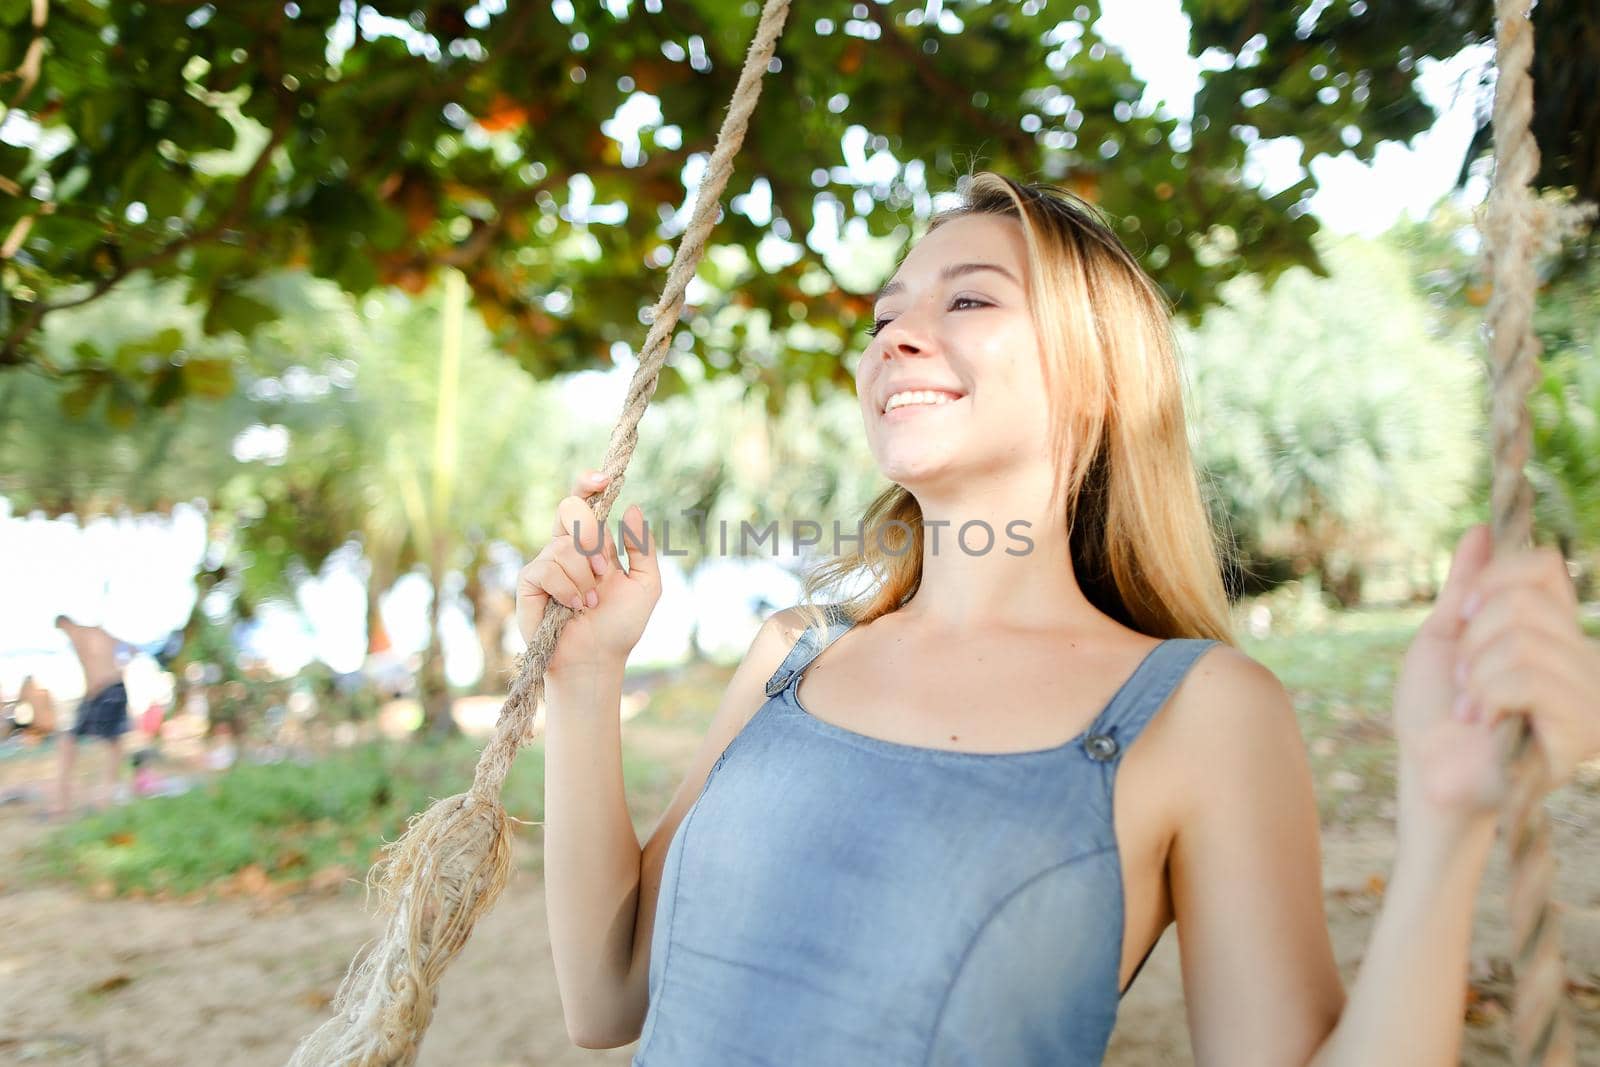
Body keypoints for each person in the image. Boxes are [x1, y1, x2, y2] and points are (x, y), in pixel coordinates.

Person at [521, 174, 1600, 1065]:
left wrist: (1446, 827)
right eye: (888, 309)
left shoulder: (1197, 713)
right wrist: (583, 682)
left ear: (1097, 380)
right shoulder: (789, 656)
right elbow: (609, 994)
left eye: (969, 300)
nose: (896, 335)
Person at [52, 614, 132, 815]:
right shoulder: (97, 631)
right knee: (114, 745)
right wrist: (119, 668)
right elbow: (129, 649)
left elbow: (89, 669)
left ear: (64, 625)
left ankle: (67, 802)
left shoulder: (77, 636)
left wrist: (94, 689)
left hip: (100, 691)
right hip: (115, 687)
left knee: (73, 742)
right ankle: (106, 795)